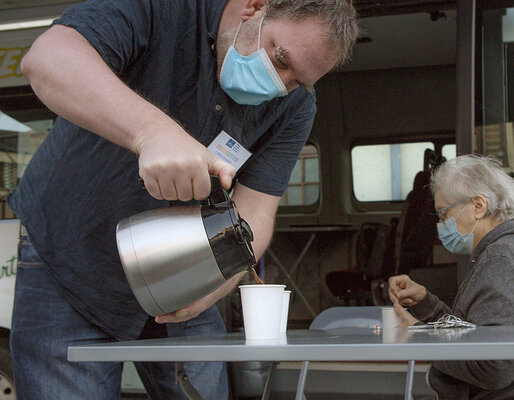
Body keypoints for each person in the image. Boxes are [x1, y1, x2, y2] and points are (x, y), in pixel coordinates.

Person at [7, 0, 359, 398]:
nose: (280, 84)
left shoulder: (294, 106)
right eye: (279, 59)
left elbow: (257, 211)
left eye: (298, 80)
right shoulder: (165, 8)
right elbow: (49, 58)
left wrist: (211, 289)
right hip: (69, 260)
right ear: (255, 7)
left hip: (184, 279)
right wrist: (153, 132)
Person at [388, 155, 514, 399]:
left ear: (478, 206)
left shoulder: (503, 258)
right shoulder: (512, 247)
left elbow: (494, 368)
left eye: (444, 214)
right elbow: (472, 333)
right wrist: (426, 304)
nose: (441, 225)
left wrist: (418, 337)